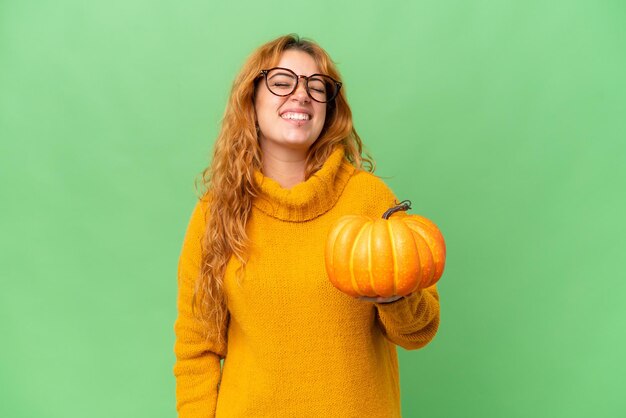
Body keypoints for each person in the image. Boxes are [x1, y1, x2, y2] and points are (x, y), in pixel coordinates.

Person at [173, 34, 441, 417]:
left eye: (317, 87)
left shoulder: (368, 199)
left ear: (329, 109)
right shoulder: (217, 211)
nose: (301, 95)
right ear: (251, 98)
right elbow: (197, 347)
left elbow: (419, 332)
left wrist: (395, 297)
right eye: (282, 82)